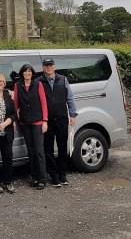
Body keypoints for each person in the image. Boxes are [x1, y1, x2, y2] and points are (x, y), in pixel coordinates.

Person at [39, 58, 78, 187]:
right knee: (48, 149)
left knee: (62, 147)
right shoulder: (38, 81)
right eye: (46, 65)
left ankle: (62, 174)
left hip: (61, 118)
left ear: (54, 66)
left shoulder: (63, 79)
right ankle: (54, 175)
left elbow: (70, 98)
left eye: (50, 65)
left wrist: (72, 115)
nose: (48, 67)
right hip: (47, 121)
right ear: (43, 67)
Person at [12, 63, 49, 190]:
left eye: (29, 71)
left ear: (32, 73)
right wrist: (16, 117)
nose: (27, 73)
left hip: (38, 122)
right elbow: (15, 103)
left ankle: (42, 179)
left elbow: (44, 103)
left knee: (39, 151)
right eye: (25, 71)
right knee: (30, 151)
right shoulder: (18, 85)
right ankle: (34, 177)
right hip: (25, 122)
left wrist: (45, 121)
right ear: (22, 73)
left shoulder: (38, 84)